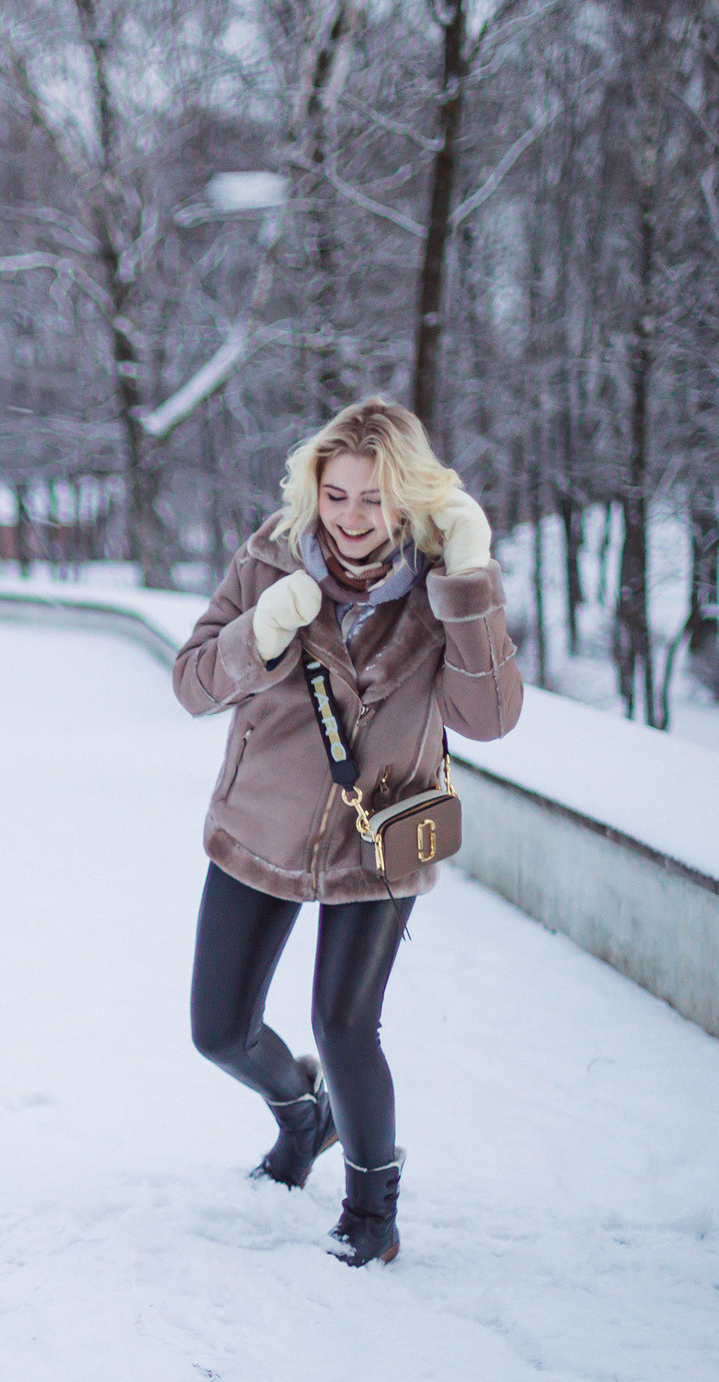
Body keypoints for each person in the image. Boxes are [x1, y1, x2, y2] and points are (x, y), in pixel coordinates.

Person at [172, 396, 521, 1265]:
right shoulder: (267, 559)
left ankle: (372, 1210)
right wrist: (262, 630)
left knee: (345, 1024)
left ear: (410, 501)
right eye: (337, 496)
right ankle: (303, 1115)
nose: (353, 518)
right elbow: (191, 682)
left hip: (380, 839)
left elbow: (488, 718)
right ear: (313, 492)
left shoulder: (444, 585)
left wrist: (471, 580)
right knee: (219, 1030)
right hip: (261, 827)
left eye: (374, 499)